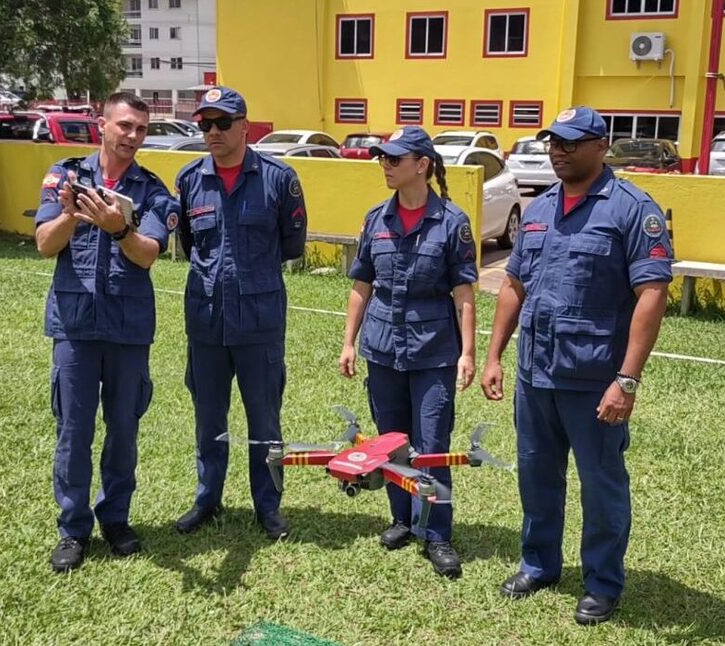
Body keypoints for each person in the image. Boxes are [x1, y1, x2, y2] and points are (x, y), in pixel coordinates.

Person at [480, 107, 673, 624]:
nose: (557, 150)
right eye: (552, 142)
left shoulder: (631, 209)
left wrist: (626, 380)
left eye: (570, 142)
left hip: (594, 381)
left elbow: (652, 293)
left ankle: (602, 583)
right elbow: (514, 285)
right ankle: (539, 564)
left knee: (601, 482)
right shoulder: (539, 208)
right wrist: (495, 354)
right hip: (535, 374)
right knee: (537, 477)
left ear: (601, 145)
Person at [34, 92, 178, 573]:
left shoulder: (155, 192)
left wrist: (118, 228)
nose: (132, 136)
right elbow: (42, 244)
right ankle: (73, 530)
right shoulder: (65, 176)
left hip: (127, 329)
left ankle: (115, 519)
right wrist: (74, 214)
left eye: (140, 128)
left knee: (123, 432)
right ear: (102, 125)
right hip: (75, 327)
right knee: (73, 432)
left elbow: (148, 254)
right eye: (124, 125)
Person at [339, 126, 478, 579]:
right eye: (383, 158)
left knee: (432, 447)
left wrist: (468, 352)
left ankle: (437, 534)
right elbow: (363, 285)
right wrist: (348, 342)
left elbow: (464, 293)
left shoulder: (452, 222)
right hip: (382, 349)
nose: (386, 165)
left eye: (395, 159)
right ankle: (402, 519)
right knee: (391, 441)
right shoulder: (375, 218)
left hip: (434, 352)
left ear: (422, 165)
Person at [173, 86, 307, 540]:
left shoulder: (278, 179)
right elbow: (191, 246)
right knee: (209, 418)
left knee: (264, 421)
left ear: (245, 125)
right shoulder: (190, 180)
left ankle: (268, 507)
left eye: (222, 123)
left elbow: (291, 244)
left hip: (259, 322)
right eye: (204, 124)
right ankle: (207, 499)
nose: (212, 132)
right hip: (207, 323)